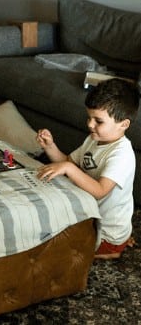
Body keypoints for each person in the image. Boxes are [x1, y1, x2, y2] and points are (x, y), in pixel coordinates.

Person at [36, 78, 139, 259]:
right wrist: (50, 147)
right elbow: (68, 162)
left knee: (55, 249)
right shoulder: (94, 138)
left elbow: (100, 191)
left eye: (98, 121)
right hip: (87, 213)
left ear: (124, 124)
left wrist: (69, 168)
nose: (90, 125)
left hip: (106, 231)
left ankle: (114, 250)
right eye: (89, 118)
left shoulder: (122, 155)